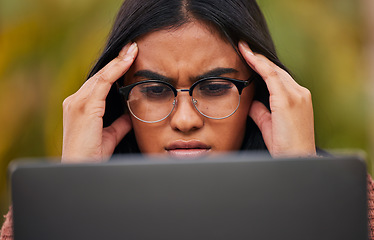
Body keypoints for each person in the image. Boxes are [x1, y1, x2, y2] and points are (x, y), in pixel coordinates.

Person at [1, 0, 374, 238]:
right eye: (153, 89)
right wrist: (70, 192)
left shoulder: (348, 207)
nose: (184, 120)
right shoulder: (62, 210)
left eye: (214, 86)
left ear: (260, 93)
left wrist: (305, 183)